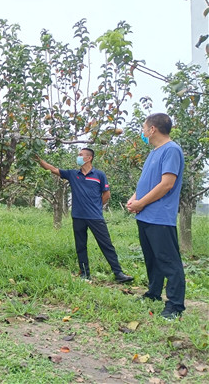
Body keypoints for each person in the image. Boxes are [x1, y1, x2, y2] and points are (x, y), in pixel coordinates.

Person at [35, 149, 134, 283]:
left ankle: (118, 273)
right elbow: (52, 169)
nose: (78, 157)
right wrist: (39, 160)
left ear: (89, 158)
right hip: (78, 216)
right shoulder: (72, 174)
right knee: (80, 246)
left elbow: (106, 194)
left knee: (106, 244)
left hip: (95, 216)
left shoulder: (99, 175)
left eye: (81, 155)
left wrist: (97, 206)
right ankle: (85, 274)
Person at [126, 113, 185, 320]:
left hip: (160, 216)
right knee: (152, 259)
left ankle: (176, 305)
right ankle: (153, 293)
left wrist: (141, 203)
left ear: (153, 129)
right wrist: (135, 199)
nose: (142, 132)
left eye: (144, 127)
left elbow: (167, 184)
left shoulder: (172, 150)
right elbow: (146, 181)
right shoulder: (154, 153)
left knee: (169, 261)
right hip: (145, 215)